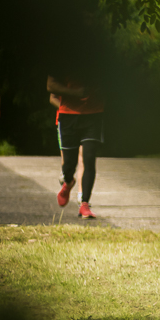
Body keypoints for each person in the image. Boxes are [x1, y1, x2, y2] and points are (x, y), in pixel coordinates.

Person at [47, 75, 106, 219]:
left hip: (93, 114)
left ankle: (84, 204)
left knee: (89, 158)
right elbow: (51, 86)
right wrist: (77, 93)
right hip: (68, 116)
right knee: (68, 165)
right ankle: (68, 182)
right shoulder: (64, 58)